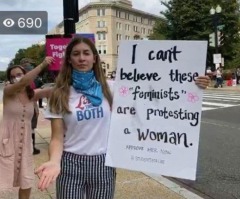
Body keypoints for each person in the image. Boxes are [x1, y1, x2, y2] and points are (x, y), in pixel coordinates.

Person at [35, 37, 210, 198]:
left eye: (86, 53)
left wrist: (191, 84)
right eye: (76, 54)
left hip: (103, 163)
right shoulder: (59, 94)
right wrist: (53, 161)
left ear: (94, 58)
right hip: (71, 163)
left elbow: (155, 93)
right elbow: (57, 138)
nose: (82, 58)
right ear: (70, 60)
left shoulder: (112, 88)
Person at [0, 57, 54, 198]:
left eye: (19, 74)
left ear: (25, 74)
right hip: (7, 143)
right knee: (3, 179)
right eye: (12, 77)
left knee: (26, 181)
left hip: (25, 145)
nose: (16, 78)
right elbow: (23, 83)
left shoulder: (31, 95)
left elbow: (52, 91)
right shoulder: (8, 91)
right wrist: (43, 64)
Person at [20, 58, 42, 155]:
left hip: (25, 106)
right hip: (29, 106)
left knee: (28, 127)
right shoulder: (29, 80)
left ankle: (29, 147)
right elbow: (33, 94)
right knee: (30, 127)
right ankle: (31, 147)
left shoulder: (20, 78)